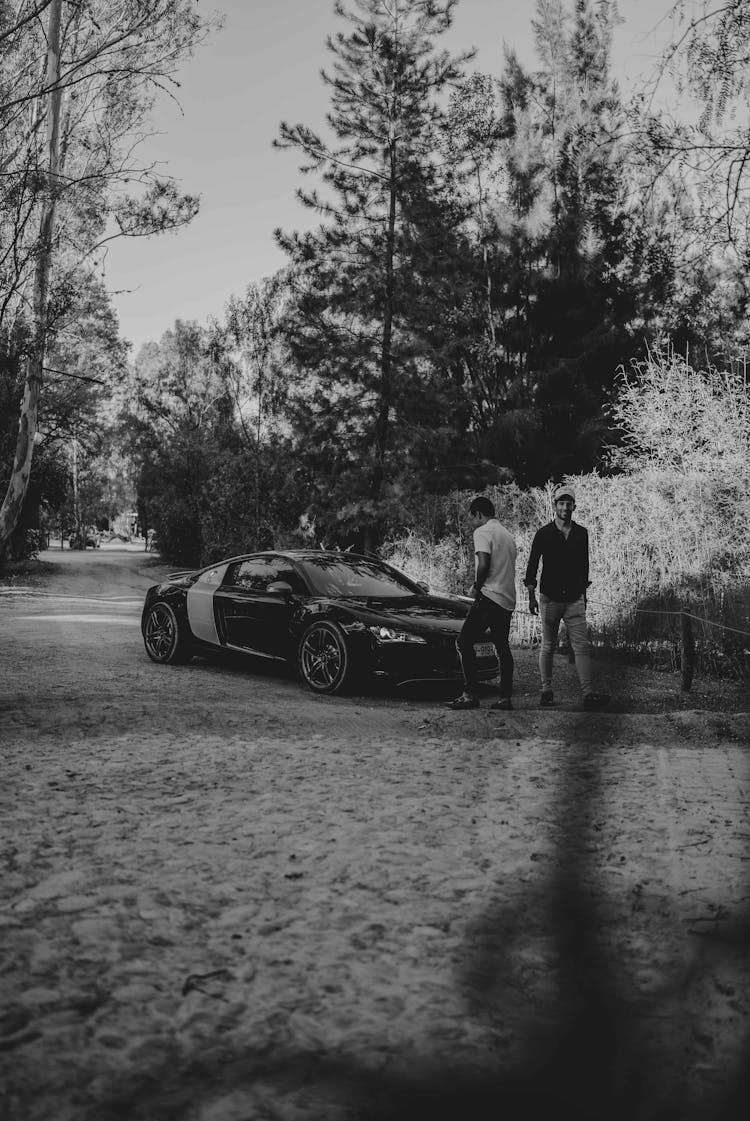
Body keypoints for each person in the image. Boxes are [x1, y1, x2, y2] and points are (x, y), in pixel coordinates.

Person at [524, 484, 609, 710]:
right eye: (561, 503)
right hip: (549, 598)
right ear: (555, 506)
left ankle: (588, 694)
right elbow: (532, 566)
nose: (565, 507)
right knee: (548, 645)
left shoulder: (582, 533)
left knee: (581, 646)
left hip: (574, 598)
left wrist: (584, 595)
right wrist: (531, 595)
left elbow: (584, 566)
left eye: (568, 503)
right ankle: (546, 690)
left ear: (574, 506)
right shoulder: (543, 533)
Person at [448, 496, 516, 711]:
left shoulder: (482, 532)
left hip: (489, 596)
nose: (471, 522)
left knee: (463, 642)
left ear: (478, 514)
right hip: (507, 598)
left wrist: (476, 587)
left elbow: (484, 563)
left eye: (471, 517)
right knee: (502, 647)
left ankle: (469, 694)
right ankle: (505, 698)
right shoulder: (507, 535)